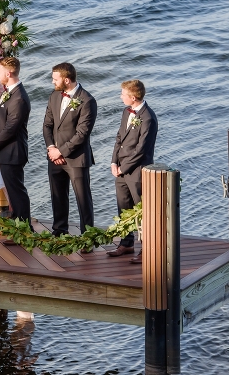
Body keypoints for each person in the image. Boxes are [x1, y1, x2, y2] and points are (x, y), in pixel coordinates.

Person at [42, 62, 97, 242]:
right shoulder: (54, 96)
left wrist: (61, 152)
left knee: (83, 199)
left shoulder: (87, 101)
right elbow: (47, 125)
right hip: (54, 156)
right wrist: (51, 148)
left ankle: (87, 237)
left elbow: (82, 134)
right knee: (57, 195)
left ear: (66, 80)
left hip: (76, 158)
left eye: (55, 79)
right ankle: (59, 230)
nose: (52, 82)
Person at [108, 79, 158, 262]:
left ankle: (147, 248)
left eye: (123, 94)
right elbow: (119, 138)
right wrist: (114, 162)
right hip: (121, 170)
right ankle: (126, 243)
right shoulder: (126, 112)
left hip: (137, 171)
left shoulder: (148, 118)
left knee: (141, 211)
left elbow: (141, 150)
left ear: (133, 97)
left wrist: (124, 167)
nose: (120, 96)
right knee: (123, 208)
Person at [0, 57, 32, 244]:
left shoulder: (19, 98)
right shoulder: (9, 93)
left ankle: (24, 231)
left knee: (17, 192)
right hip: (6, 151)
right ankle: (18, 226)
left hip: (13, 152)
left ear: (9, 73)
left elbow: (11, 128)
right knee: (13, 192)